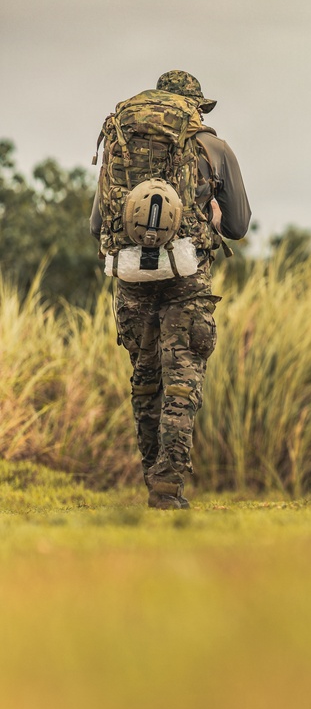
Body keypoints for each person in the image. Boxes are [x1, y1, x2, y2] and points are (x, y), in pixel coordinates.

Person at [90, 70, 251, 510]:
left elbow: (96, 224)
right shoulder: (213, 147)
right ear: (194, 106)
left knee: (144, 381)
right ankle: (168, 486)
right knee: (181, 383)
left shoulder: (120, 139)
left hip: (130, 275)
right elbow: (238, 226)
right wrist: (211, 219)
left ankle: (149, 477)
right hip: (187, 275)